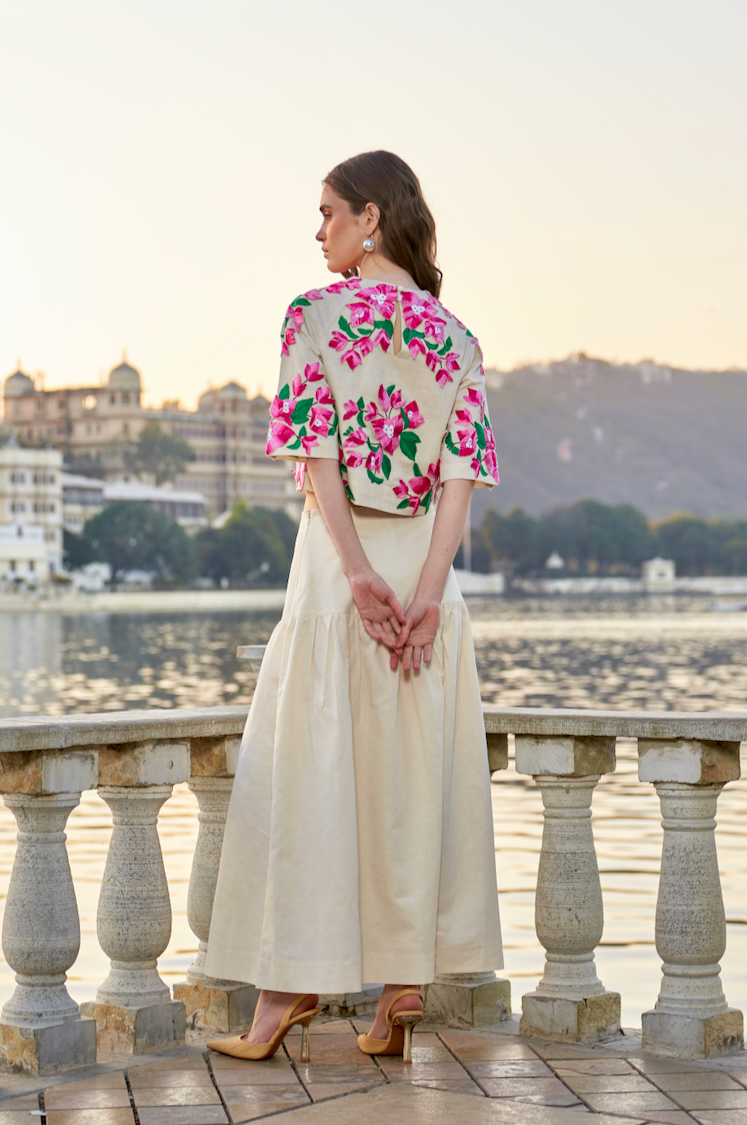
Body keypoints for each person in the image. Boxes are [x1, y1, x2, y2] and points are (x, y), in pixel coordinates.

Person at [204, 151, 503, 1064]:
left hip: (344, 569)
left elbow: (317, 459)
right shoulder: (458, 337)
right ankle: (401, 985)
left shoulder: (313, 314)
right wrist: (423, 590)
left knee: (315, 772)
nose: (320, 229)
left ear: (371, 217)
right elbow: (460, 482)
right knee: (410, 779)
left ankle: (284, 994)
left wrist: (360, 573)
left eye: (329, 211)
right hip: (427, 580)